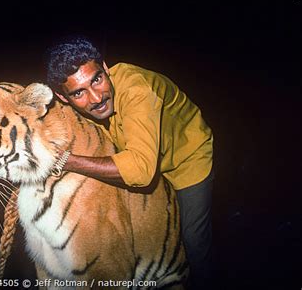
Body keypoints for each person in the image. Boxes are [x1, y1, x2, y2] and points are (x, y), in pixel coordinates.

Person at [45, 36, 214, 289]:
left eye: (97, 79)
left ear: (106, 67)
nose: (96, 98)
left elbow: (140, 171)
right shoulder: (71, 104)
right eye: (79, 92)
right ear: (63, 97)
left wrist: (67, 161)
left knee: (192, 244)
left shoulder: (136, 89)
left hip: (187, 159)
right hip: (140, 157)